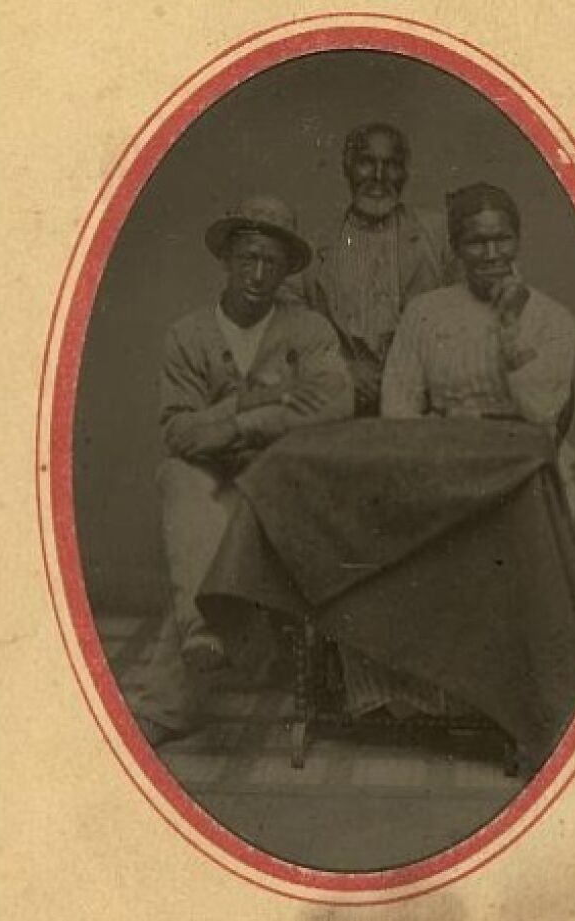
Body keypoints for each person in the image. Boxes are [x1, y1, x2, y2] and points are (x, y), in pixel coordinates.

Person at [133, 196, 353, 746]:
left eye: (271, 263)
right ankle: (199, 631)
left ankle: (172, 691)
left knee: (208, 540)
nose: (258, 275)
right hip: (207, 480)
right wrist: (266, 400)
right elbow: (179, 434)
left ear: (286, 270)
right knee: (182, 481)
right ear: (228, 258)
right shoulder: (188, 334)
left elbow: (332, 405)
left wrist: (235, 425)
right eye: (248, 258)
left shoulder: (308, 329)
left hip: (278, 481)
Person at [382, 181, 575, 519]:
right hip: (444, 464)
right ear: (456, 247)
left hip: (527, 471)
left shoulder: (553, 318)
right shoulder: (424, 311)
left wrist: (511, 327)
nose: (491, 254)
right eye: (476, 242)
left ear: (518, 240)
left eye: (502, 240)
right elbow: (397, 408)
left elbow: (543, 412)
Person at [301, 122, 451, 415]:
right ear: (347, 166)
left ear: (406, 172)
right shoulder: (313, 249)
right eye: (367, 163)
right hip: (343, 407)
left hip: (426, 402)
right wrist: (343, 369)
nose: (379, 177)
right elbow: (291, 336)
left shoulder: (439, 236)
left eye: (392, 165)